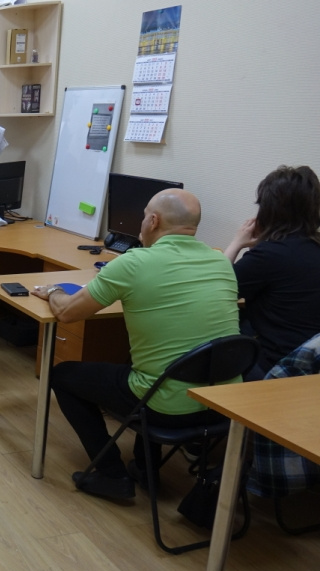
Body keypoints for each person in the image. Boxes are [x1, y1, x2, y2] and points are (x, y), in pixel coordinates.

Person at [33, 189, 240, 500]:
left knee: (63, 375)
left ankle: (112, 475)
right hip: (222, 405)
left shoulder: (134, 263)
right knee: (155, 365)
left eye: (144, 216)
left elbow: (66, 313)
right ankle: (145, 468)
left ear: (153, 221)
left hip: (165, 406)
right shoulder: (220, 261)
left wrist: (52, 291)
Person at [223, 165, 320, 380]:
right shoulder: (311, 245)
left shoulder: (270, 255)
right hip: (312, 363)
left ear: (269, 210)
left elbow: (216, 289)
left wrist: (237, 243)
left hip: (277, 366)